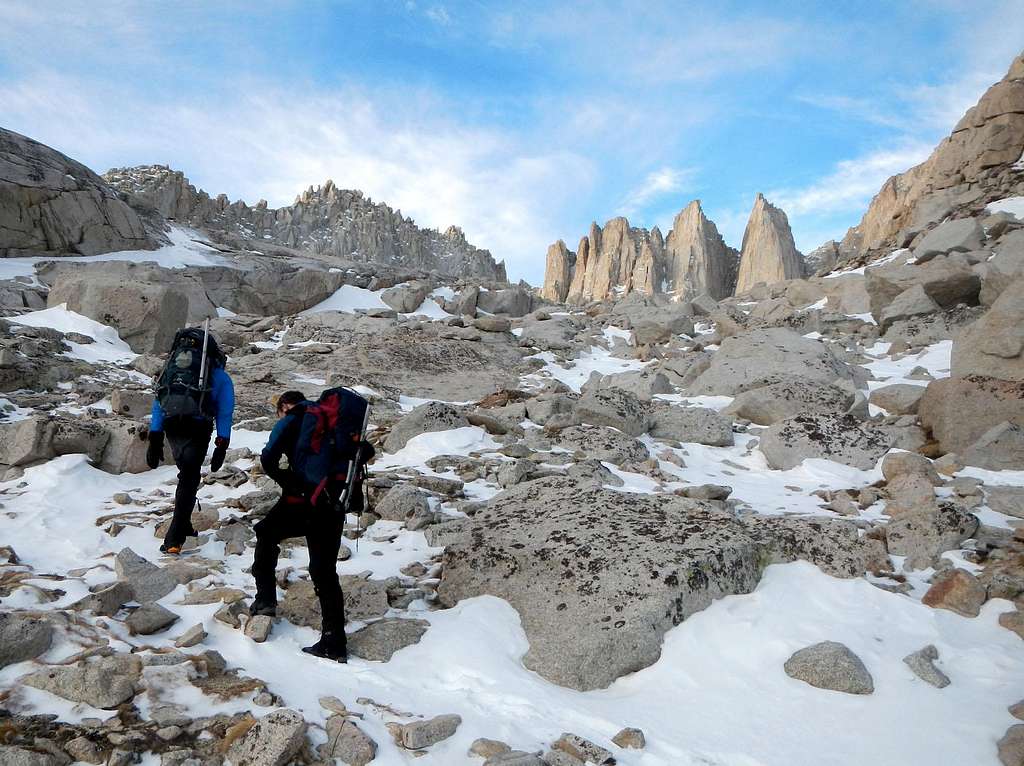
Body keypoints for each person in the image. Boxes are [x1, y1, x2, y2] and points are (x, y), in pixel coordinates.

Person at [251, 390, 350, 662]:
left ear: (283, 405)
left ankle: (266, 601)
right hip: (334, 503)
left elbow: (268, 459)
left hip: (300, 502)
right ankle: (334, 642)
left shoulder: (292, 419)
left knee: (265, 533)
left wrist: (287, 481)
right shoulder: (336, 421)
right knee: (324, 571)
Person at [145, 327, 235, 555]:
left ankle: (184, 524)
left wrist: (155, 437)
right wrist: (222, 443)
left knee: (186, 473)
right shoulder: (219, 376)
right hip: (198, 426)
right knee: (189, 478)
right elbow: (225, 412)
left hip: (171, 426)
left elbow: (159, 401)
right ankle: (174, 539)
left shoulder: (171, 371)